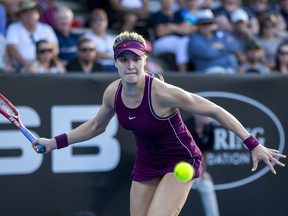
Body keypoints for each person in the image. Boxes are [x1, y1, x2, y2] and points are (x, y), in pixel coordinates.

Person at [33, 31, 286, 216]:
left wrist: (252, 144)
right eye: (124, 60)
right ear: (116, 62)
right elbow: (96, 126)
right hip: (147, 163)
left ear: (145, 60)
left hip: (181, 160)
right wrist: (54, 143)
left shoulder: (164, 93)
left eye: (136, 59)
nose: (130, 65)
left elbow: (215, 110)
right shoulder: (113, 92)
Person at [6, 0, 58, 71]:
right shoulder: (13, 28)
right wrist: (26, 64)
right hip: (21, 67)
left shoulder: (46, 29)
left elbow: (55, 48)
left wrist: (46, 64)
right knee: (32, 68)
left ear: (38, 14)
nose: (29, 15)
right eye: (25, 12)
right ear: (20, 16)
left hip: (45, 65)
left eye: (32, 12)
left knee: (61, 68)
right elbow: (12, 49)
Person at [185, 114, 220, 216]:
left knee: (207, 185)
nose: (208, 116)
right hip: (180, 168)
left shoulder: (210, 127)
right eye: (204, 114)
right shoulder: (185, 126)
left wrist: (202, 172)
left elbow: (206, 153)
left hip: (197, 168)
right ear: (196, 114)